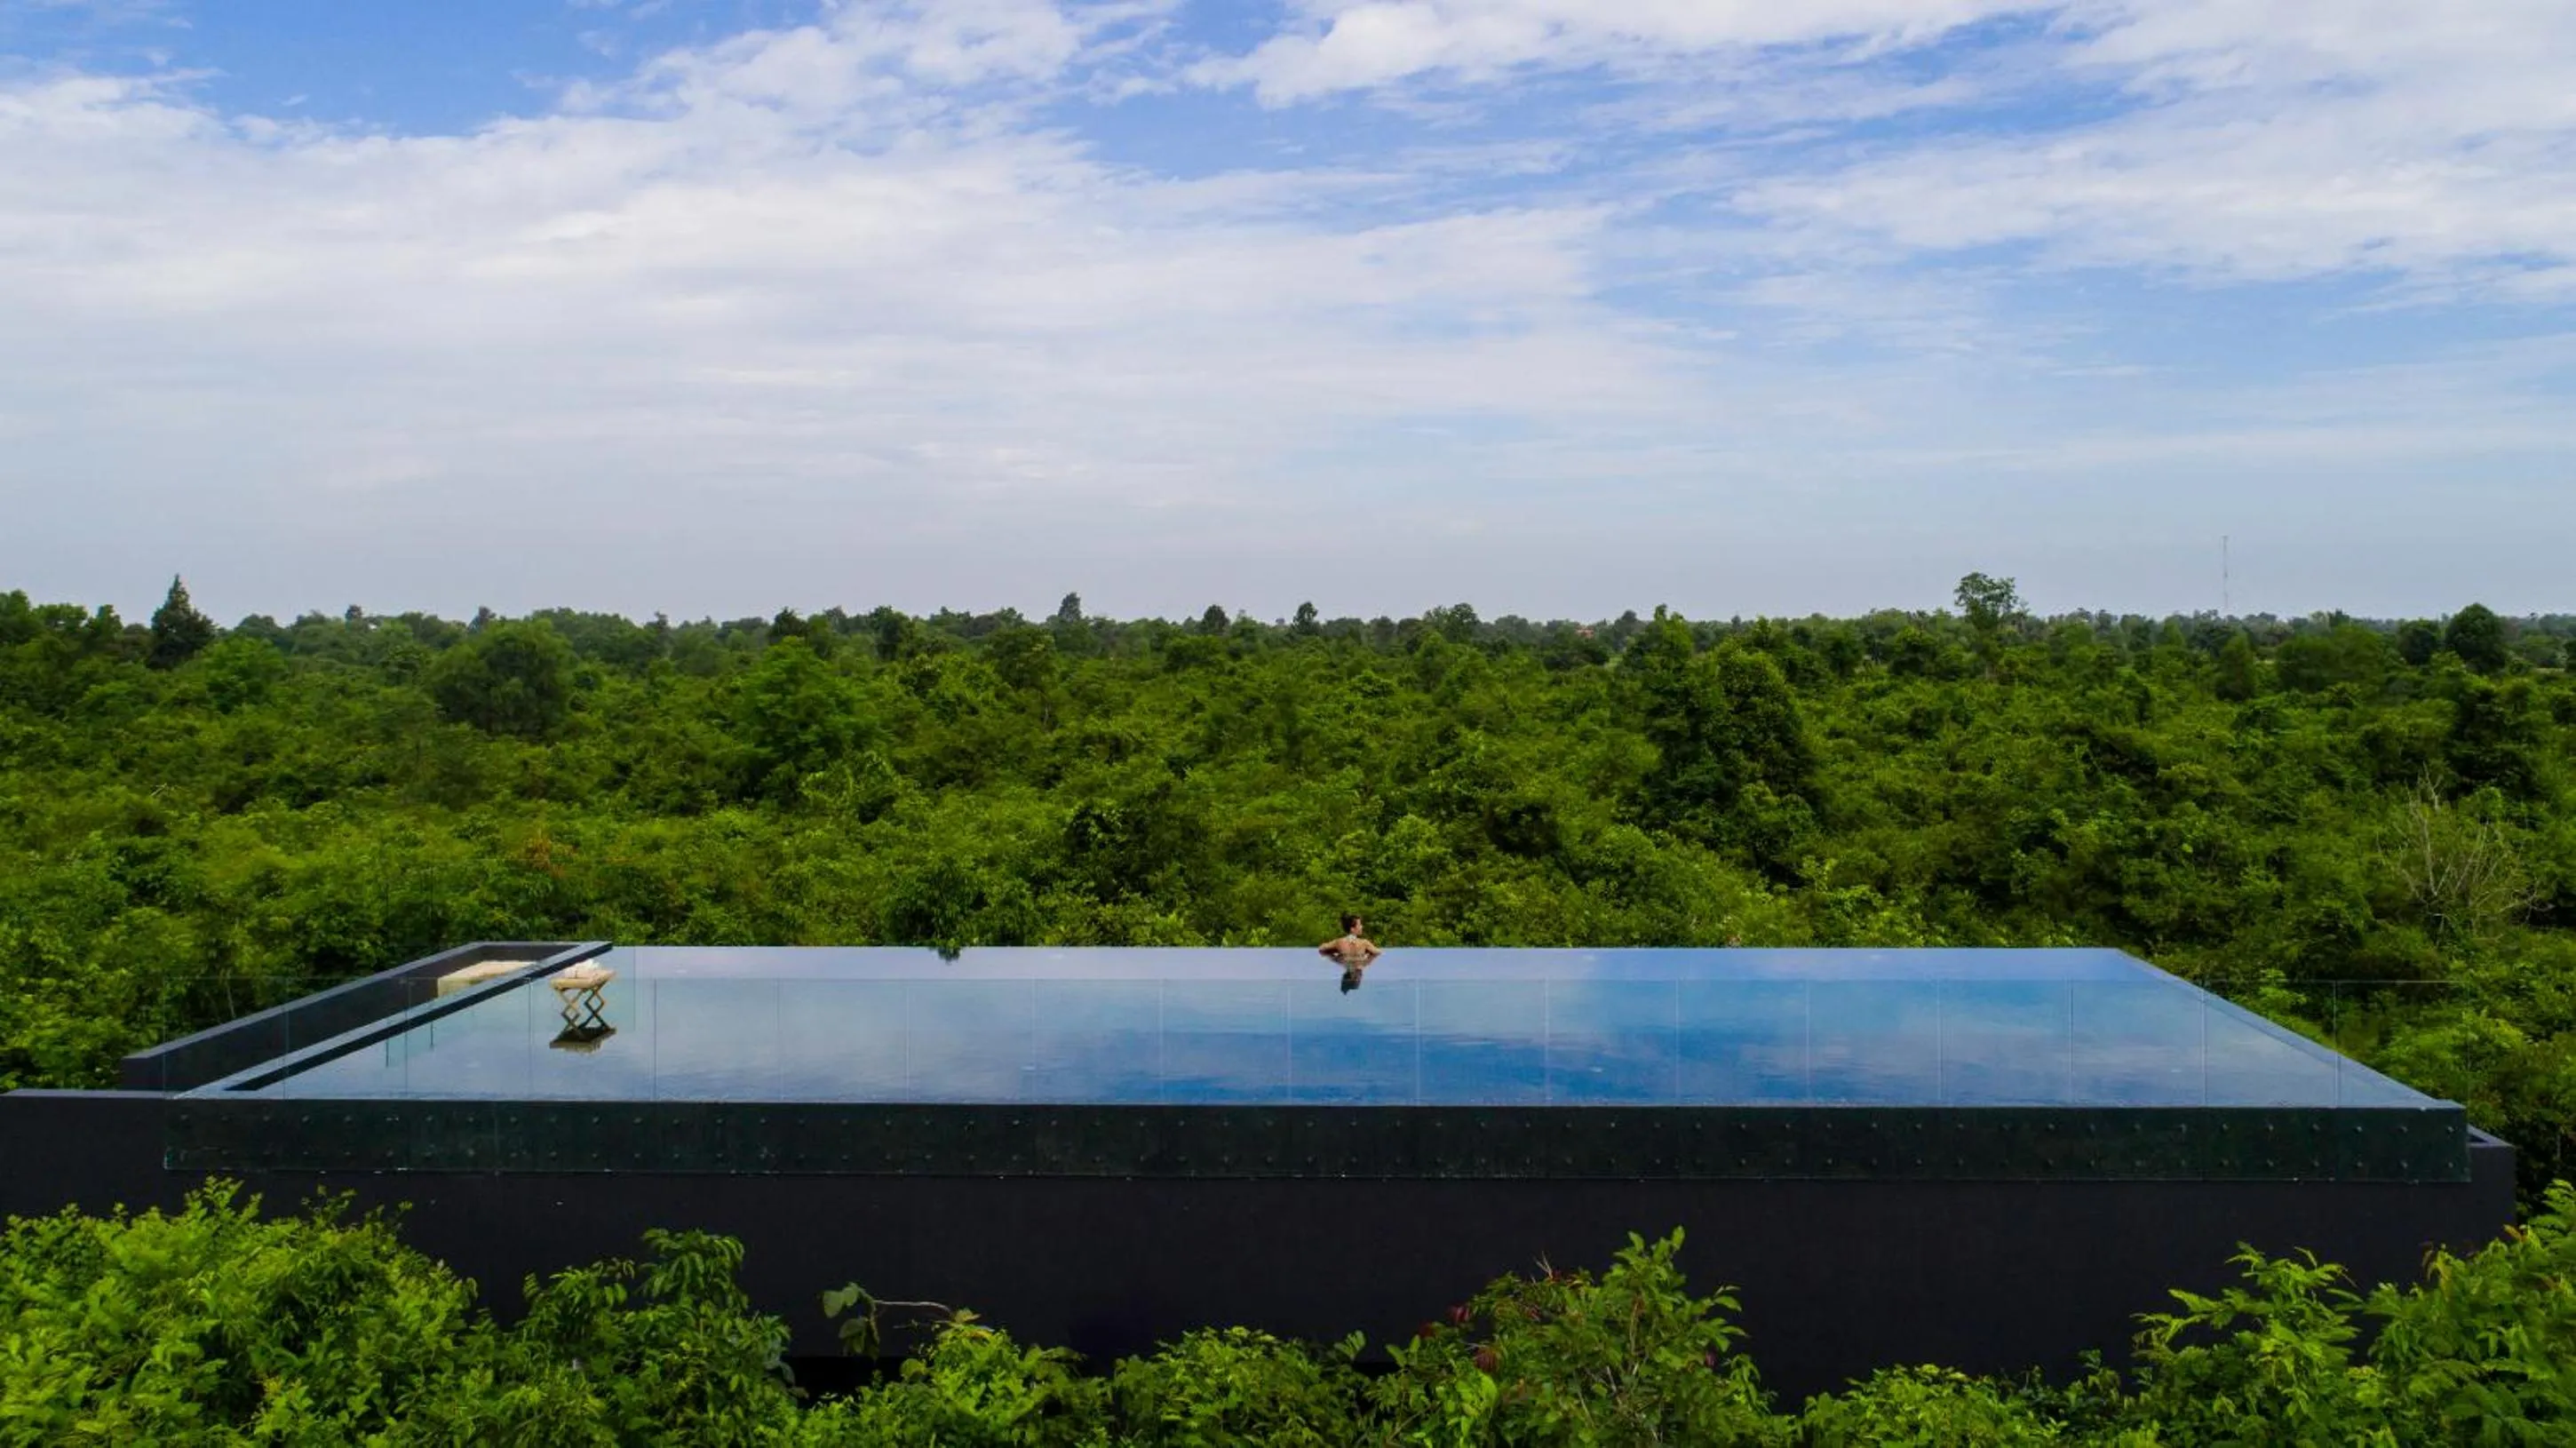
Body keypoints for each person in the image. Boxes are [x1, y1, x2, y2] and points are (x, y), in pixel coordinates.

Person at [1319, 914, 1381, 992]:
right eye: (1360, 925)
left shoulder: (1339, 942)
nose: (1362, 926)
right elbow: (1378, 952)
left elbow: (1321, 949)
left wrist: (1333, 955)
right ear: (1352, 929)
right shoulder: (1364, 943)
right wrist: (1367, 958)